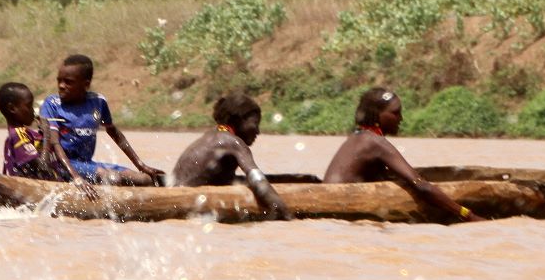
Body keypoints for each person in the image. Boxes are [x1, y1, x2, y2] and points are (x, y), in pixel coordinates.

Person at [323, 87, 485, 222]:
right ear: (377, 115)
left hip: (331, 208)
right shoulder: (375, 143)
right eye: (395, 113)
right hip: (334, 207)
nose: (401, 118)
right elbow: (422, 186)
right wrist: (467, 215)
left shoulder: (358, 137)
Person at [39, 54, 165, 186]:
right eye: (59, 81)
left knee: (145, 179)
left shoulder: (98, 102)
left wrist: (140, 165)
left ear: (86, 85)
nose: (61, 86)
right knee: (112, 178)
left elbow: (113, 132)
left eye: (68, 82)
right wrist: (76, 177)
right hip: (63, 164)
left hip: (88, 164)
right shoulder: (52, 104)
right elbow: (55, 143)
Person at [171, 92, 292, 220]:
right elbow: (258, 182)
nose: (258, 131)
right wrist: (288, 216)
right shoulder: (233, 143)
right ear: (239, 120)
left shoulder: (212, 136)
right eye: (255, 124)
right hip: (184, 201)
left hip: (175, 191)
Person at [0, 81, 96, 197]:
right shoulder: (18, 135)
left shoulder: (30, 134)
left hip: (50, 190)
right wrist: (47, 135)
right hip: (34, 195)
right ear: (12, 108)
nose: (33, 111)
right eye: (29, 106)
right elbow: (43, 166)